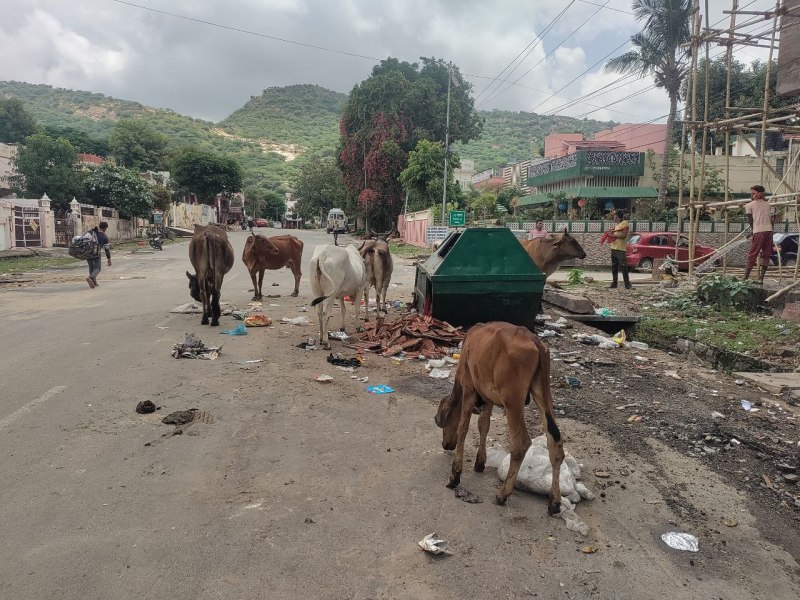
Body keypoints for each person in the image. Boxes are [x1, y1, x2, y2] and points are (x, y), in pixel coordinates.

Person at [743, 184, 773, 283]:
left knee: (752, 254)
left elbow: (751, 222)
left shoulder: (749, 205)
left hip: (759, 232)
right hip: (769, 231)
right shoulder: (768, 204)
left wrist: (753, 232)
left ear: (760, 193)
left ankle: (744, 279)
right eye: (752, 194)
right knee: (766, 254)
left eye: (754, 193)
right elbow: (769, 220)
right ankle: (761, 279)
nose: (752, 196)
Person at [608, 209, 631, 289]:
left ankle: (627, 285)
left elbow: (624, 235)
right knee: (614, 267)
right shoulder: (617, 225)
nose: (613, 217)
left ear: (618, 216)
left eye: (614, 215)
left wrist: (613, 236)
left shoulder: (625, 223)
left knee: (624, 267)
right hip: (614, 248)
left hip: (621, 249)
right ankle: (614, 284)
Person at [85, 222, 111, 289]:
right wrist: (109, 258)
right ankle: (91, 278)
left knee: (91, 267)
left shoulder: (90, 232)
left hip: (87, 252)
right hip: (96, 253)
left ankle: (94, 282)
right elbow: (106, 249)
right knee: (98, 268)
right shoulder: (104, 236)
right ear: (105, 228)